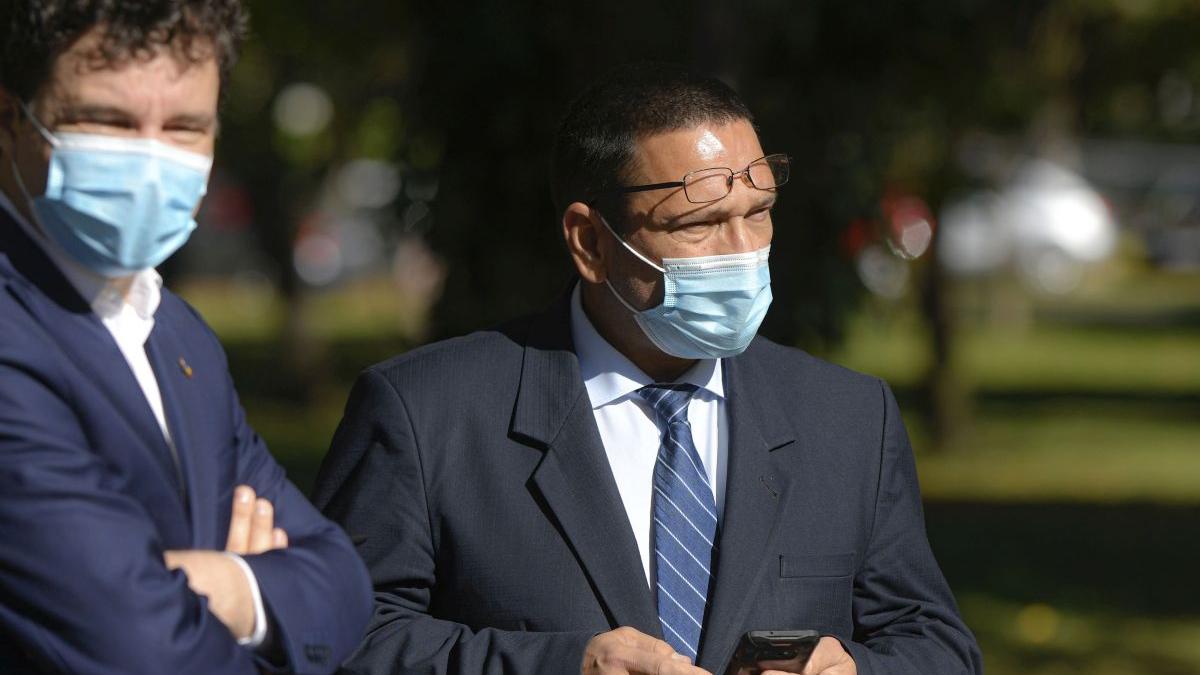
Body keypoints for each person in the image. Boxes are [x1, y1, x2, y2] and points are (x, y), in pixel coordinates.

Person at [312, 62, 983, 675]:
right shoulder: (426, 413)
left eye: (759, 213)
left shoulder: (848, 418)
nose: (743, 250)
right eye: (699, 224)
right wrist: (560, 667)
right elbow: (334, 639)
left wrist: (856, 670)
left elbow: (936, 645)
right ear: (590, 242)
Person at [0, 2, 371, 672]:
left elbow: (343, 581)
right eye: (107, 122)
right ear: (9, 121)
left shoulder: (177, 332)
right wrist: (260, 602)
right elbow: (141, 650)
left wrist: (228, 585)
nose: (149, 159)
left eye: (184, 127)